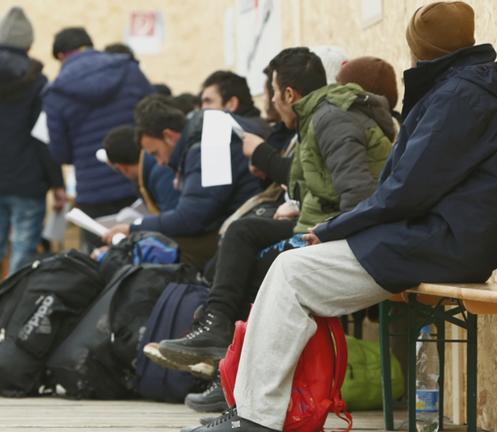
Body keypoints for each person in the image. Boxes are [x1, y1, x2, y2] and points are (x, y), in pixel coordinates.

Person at [188, 2, 497, 430]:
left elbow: (405, 192)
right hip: (443, 235)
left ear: (424, 49)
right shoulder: (461, 89)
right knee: (290, 268)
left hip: (447, 241)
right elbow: (405, 190)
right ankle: (254, 410)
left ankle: (257, 417)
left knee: (292, 273)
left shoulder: (461, 97)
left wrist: (331, 230)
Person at [157, 47, 395, 370]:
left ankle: (234, 368)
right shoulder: (317, 117)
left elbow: (358, 195)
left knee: (258, 269)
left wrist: (326, 234)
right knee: (243, 233)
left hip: (345, 237)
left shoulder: (332, 120)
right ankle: (219, 335)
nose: (271, 102)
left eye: (273, 92)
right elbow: (309, 183)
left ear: (288, 93)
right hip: (320, 224)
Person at [0, 7, 66, 313]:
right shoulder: (38, 81)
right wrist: (56, 183)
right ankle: (12, 312)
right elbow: (45, 138)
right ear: (29, 44)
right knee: (23, 248)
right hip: (30, 180)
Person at [102, 95, 266, 269]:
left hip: (247, 226)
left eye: (156, 153)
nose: (160, 163)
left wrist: (134, 228)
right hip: (247, 219)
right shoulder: (204, 132)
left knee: (164, 249)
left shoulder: (207, 146)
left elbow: (190, 218)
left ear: (169, 136)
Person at [44, 27, 153, 250]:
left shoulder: (56, 92)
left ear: (61, 56)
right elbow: (154, 116)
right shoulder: (128, 69)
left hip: (93, 191)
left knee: (101, 260)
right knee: (145, 252)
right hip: (138, 179)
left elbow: (60, 153)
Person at [100, 125, 180, 213]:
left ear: (122, 167)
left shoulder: (161, 174)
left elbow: (175, 219)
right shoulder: (155, 171)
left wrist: (135, 226)